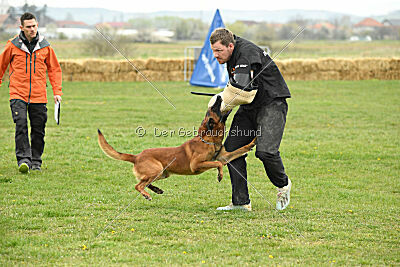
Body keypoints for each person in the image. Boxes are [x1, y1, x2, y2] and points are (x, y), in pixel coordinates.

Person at [208, 28, 291, 211]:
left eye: (219, 51)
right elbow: (240, 90)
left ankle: (283, 184)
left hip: (272, 103)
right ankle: (241, 202)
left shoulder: (246, 53)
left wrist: (220, 104)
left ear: (230, 46)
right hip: (250, 107)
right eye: (213, 51)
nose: (215, 55)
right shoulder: (231, 54)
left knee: (266, 152)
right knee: (230, 152)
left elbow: (243, 92)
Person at [0, 12, 62, 173]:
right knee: (20, 124)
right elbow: (1, 66)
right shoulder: (12, 45)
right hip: (17, 94)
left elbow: (54, 70)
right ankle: (24, 160)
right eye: (29, 27)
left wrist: (57, 91)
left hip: (39, 95)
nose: (32, 29)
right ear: (21, 27)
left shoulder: (45, 46)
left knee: (38, 129)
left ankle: (36, 161)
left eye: (34, 26)